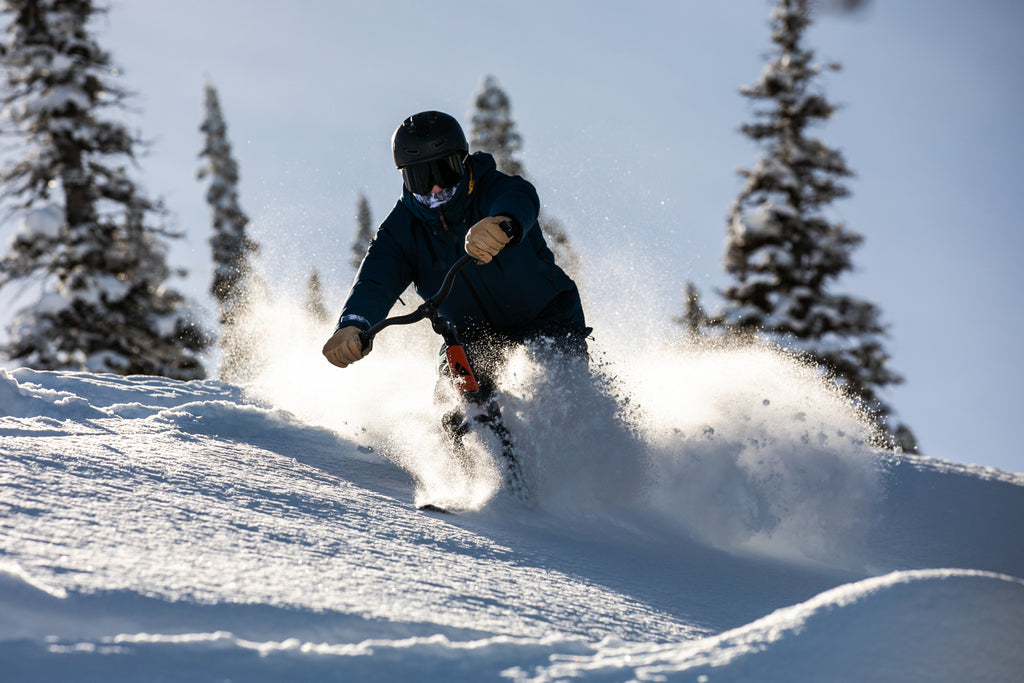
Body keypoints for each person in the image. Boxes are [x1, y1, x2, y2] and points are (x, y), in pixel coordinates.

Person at [322, 110, 589, 396]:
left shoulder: (492, 188)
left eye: (444, 172)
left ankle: (580, 435)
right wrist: (353, 324)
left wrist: (503, 223)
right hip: (470, 339)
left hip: (548, 320)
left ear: (462, 162)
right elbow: (375, 280)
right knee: (455, 399)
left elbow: (520, 196)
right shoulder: (400, 232)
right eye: (421, 177)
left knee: (553, 391)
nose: (435, 187)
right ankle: (464, 433)